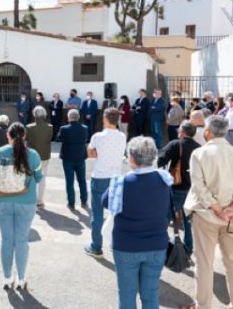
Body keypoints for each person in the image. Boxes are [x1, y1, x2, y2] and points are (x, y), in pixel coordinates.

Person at [182, 116, 233, 309]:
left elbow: (199, 187)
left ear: (208, 132)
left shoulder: (200, 154)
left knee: (204, 262)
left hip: (207, 215)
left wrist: (217, 208)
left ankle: (203, 305)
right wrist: (232, 207)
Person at [103, 136, 172, 309]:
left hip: (127, 246)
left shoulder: (121, 183)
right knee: (150, 294)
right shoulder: (164, 179)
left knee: (127, 294)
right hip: (157, 245)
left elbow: (105, 201)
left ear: (131, 158)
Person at [0, 122, 43, 290]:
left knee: (6, 239)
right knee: (21, 240)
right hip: (26, 202)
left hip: (2, 200)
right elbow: (38, 178)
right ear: (24, 136)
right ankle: (21, 278)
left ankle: (7, 277)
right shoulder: (33, 155)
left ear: (8, 136)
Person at [84, 108, 126, 259]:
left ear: (105, 119)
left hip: (100, 176)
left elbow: (90, 153)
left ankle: (96, 246)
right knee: (114, 213)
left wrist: (98, 153)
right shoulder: (122, 136)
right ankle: (114, 243)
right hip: (116, 177)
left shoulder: (98, 136)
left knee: (97, 213)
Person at [157, 121, 201, 254]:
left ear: (182, 132)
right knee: (187, 220)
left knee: (166, 216)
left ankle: (158, 243)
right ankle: (188, 248)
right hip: (192, 188)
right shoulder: (199, 147)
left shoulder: (175, 144)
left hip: (176, 186)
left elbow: (160, 161)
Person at [57, 109, 88, 208]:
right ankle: (84, 200)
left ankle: (71, 203)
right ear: (78, 117)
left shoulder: (64, 128)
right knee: (82, 180)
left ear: (69, 117)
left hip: (68, 158)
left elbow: (59, 138)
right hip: (80, 157)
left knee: (69, 181)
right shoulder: (84, 128)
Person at [26, 106, 52, 208]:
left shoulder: (29, 127)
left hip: (32, 155)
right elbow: (49, 139)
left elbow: (26, 139)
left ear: (34, 114)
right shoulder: (50, 127)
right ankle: (40, 200)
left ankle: (30, 198)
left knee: (30, 177)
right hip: (45, 155)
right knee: (42, 178)